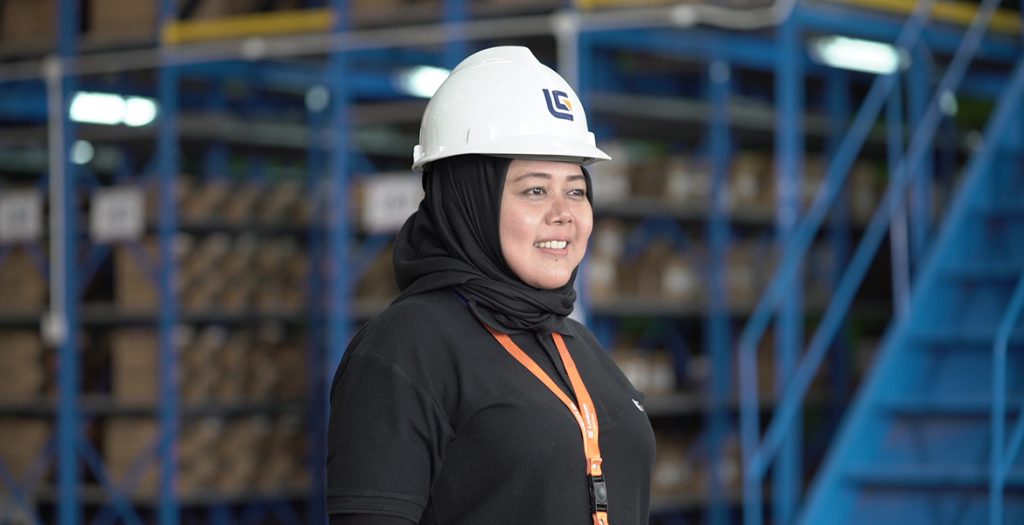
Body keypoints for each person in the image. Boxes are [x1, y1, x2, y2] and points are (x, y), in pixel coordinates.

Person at [326, 46, 656, 525]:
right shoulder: (407, 348)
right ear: (469, 200)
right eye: (535, 190)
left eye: (576, 190)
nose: (563, 214)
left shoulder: (575, 344)